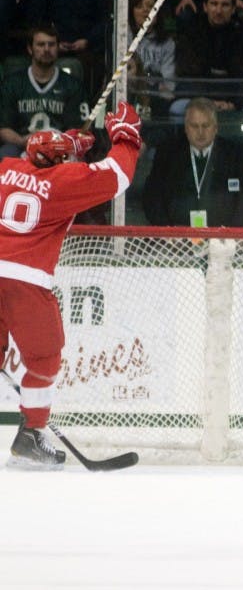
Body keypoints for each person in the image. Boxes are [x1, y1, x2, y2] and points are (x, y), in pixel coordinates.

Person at [1, 101, 142, 469]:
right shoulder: (63, 183)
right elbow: (117, 175)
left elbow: (37, 163)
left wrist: (69, 148)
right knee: (44, 357)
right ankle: (31, 433)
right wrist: (127, 136)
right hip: (26, 280)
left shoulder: (5, 168)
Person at [142, 97, 243, 227]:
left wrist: (233, 238)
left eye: (205, 126)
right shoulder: (167, 153)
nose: (200, 132)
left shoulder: (236, 154)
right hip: (175, 241)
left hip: (225, 242)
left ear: (216, 128)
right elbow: (153, 199)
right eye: (194, 126)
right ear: (186, 128)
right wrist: (167, 233)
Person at [25, 0, 107, 97]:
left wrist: (88, 41)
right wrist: (54, 42)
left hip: (88, 49)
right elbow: (35, 17)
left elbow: (104, 19)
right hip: (53, 46)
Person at [0, 26, 87, 159]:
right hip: (21, 146)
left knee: (78, 162)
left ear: (58, 48)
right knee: (5, 154)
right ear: (30, 49)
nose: (46, 49)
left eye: (51, 44)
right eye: (41, 44)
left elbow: (80, 131)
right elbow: (4, 128)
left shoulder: (72, 85)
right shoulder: (12, 84)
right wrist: (23, 142)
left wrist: (58, 145)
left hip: (60, 150)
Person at [128, 0, 177, 117]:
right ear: (132, 12)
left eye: (150, 6)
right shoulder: (122, 34)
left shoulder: (168, 43)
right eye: (139, 6)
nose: (145, 10)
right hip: (128, 95)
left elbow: (169, 86)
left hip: (156, 99)